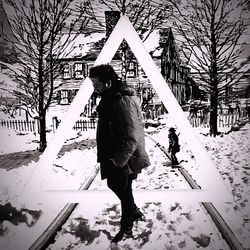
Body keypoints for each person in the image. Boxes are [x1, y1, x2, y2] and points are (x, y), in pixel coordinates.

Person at [89, 64, 150, 243]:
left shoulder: (122, 101)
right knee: (122, 189)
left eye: (96, 83)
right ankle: (133, 213)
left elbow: (131, 135)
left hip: (124, 156)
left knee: (121, 189)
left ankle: (127, 227)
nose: (95, 87)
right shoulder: (111, 97)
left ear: (107, 83)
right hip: (116, 153)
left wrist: (118, 160)